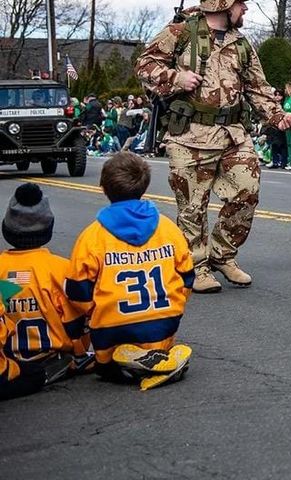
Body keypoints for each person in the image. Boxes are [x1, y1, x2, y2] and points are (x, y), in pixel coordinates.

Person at [135, 0, 291, 293]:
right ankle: (196, 267)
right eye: (241, 3)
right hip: (189, 135)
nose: (245, 9)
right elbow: (145, 65)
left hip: (233, 134)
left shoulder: (241, 44)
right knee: (193, 207)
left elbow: (257, 86)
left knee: (247, 191)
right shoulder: (181, 32)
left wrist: (278, 116)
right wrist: (175, 77)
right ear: (223, 4)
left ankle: (222, 255)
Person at [65, 152, 194, 391]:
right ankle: (159, 357)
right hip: (163, 327)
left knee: (104, 366)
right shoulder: (168, 228)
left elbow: (77, 295)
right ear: (144, 186)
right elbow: (188, 278)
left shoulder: (92, 236)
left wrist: (95, 312)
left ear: (103, 187)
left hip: (111, 331)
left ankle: (121, 364)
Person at [0, 184, 90, 373]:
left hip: (10, 359)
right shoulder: (60, 268)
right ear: (47, 229)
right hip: (51, 354)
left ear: (7, 230)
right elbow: (75, 323)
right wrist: (80, 352)